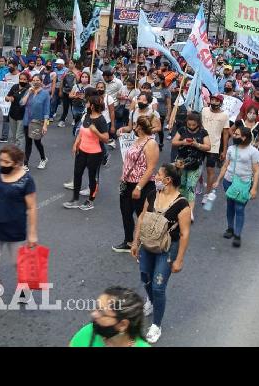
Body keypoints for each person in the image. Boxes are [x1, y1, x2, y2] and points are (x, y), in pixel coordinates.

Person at [131, 164, 191, 344]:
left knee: (158, 287)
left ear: (168, 180)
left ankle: (156, 325)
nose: (155, 177)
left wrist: (179, 259)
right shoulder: (151, 195)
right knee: (145, 277)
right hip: (147, 246)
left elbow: (184, 233)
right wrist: (135, 241)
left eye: (158, 175)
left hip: (167, 249)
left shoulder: (182, 204)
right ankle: (149, 300)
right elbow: (142, 216)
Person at [0, 145, 38, 268]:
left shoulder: (26, 180)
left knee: (19, 265)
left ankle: (26, 287)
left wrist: (32, 233)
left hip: (14, 231)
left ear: (17, 164)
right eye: (0, 160)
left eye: (6, 162)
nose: (2, 164)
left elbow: (32, 207)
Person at [114, 116, 159, 253]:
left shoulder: (151, 143)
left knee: (143, 216)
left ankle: (144, 245)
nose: (133, 126)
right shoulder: (136, 140)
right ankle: (128, 241)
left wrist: (139, 186)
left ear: (139, 127)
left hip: (143, 185)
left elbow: (151, 168)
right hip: (127, 183)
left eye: (135, 124)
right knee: (126, 213)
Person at [212, 126, 259, 248]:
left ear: (244, 137)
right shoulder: (231, 149)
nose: (234, 136)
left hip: (244, 184)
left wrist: (254, 188)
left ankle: (237, 235)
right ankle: (230, 229)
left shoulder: (253, 152)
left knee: (239, 208)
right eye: (234, 134)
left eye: (237, 134)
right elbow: (225, 166)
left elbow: (256, 171)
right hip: (229, 181)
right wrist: (218, 180)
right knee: (230, 206)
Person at [63, 96, 109, 211]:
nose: (86, 104)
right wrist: (76, 144)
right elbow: (81, 132)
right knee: (77, 173)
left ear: (92, 106)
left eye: (88, 102)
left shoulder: (101, 120)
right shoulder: (87, 116)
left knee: (92, 177)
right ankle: (75, 199)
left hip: (95, 153)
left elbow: (106, 139)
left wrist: (96, 131)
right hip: (82, 150)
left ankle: (90, 200)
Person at [69, 287, 149, 347]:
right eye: (97, 308)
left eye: (101, 312)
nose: (93, 314)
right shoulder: (87, 333)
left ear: (123, 325)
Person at [171, 112, 211, 220]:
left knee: (190, 187)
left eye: (194, 125)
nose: (191, 127)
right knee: (181, 186)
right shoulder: (182, 130)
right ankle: (180, 208)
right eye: (189, 125)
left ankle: (190, 212)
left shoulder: (203, 132)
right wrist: (183, 142)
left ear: (198, 123)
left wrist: (196, 144)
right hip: (181, 163)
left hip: (195, 164)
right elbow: (174, 142)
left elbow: (208, 147)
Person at [201, 95, 230, 201]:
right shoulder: (204, 110)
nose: (214, 102)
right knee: (197, 168)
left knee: (210, 170)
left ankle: (207, 194)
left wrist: (224, 150)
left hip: (213, 147)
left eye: (216, 101)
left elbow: (226, 133)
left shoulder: (225, 115)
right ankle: (199, 184)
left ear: (220, 103)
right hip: (201, 144)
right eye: (212, 100)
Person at [20, 74, 49, 171]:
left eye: (38, 80)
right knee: (28, 143)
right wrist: (28, 93)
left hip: (38, 122)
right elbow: (22, 103)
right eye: (34, 80)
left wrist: (45, 125)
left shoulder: (45, 94)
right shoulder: (29, 91)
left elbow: (46, 111)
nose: (35, 82)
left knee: (37, 142)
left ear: (41, 81)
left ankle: (43, 158)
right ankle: (25, 164)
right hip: (27, 121)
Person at [5, 71, 29, 148]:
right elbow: (6, 97)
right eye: (21, 79)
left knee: (19, 136)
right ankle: (16, 153)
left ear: (27, 80)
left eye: (24, 79)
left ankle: (20, 156)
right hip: (12, 114)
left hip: (23, 115)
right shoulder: (15, 87)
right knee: (15, 136)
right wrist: (9, 98)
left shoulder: (29, 89)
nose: (22, 81)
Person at [69, 71, 91, 136]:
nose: (84, 78)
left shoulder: (90, 87)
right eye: (83, 77)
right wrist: (75, 96)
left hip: (85, 107)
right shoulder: (76, 86)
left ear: (88, 78)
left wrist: (85, 97)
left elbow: (92, 98)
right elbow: (70, 95)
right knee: (77, 120)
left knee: (83, 121)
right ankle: (76, 131)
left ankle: (80, 134)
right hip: (76, 106)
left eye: (86, 77)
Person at [57, 60, 78, 128]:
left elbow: (79, 81)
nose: (70, 65)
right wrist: (60, 91)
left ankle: (75, 119)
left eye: (71, 63)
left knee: (73, 108)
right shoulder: (65, 72)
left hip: (74, 93)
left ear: (75, 64)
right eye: (69, 63)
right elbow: (61, 81)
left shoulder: (78, 72)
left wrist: (75, 74)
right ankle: (62, 120)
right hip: (65, 92)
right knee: (65, 107)